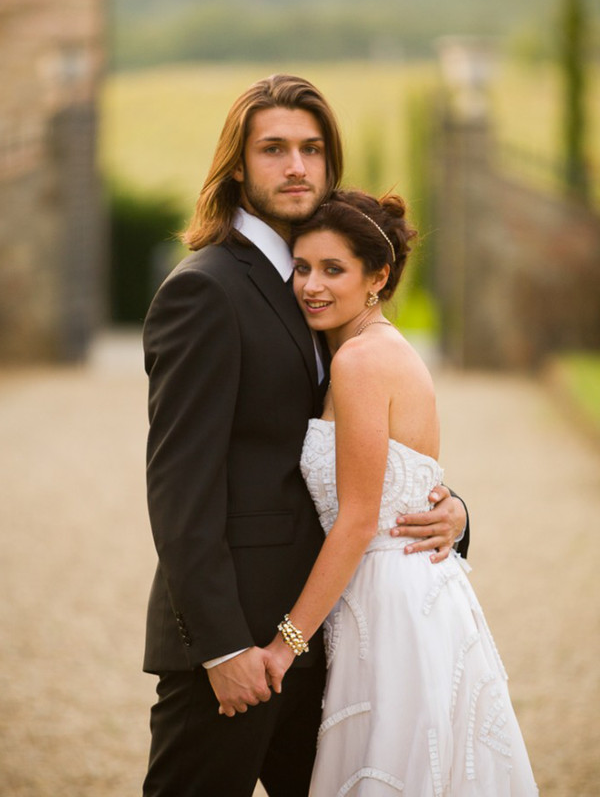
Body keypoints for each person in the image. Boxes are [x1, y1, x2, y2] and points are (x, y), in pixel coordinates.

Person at [141, 74, 469, 797]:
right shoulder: (206, 289)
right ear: (237, 167)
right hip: (242, 646)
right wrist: (224, 647)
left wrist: (454, 512)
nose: (296, 166)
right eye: (275, 149)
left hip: (334, 635)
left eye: (313, 149)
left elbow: (363, 445)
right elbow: (178, 489)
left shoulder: (321, 286)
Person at [262, 189, 538, 795]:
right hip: (397, 593)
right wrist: (456, 511)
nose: (311, 285)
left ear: (377, 277)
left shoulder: (361, 362)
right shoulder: (370, 350)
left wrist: (284, 646)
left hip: (391, 600)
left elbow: (359, 520)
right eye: (302, 267)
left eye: (333, 269)